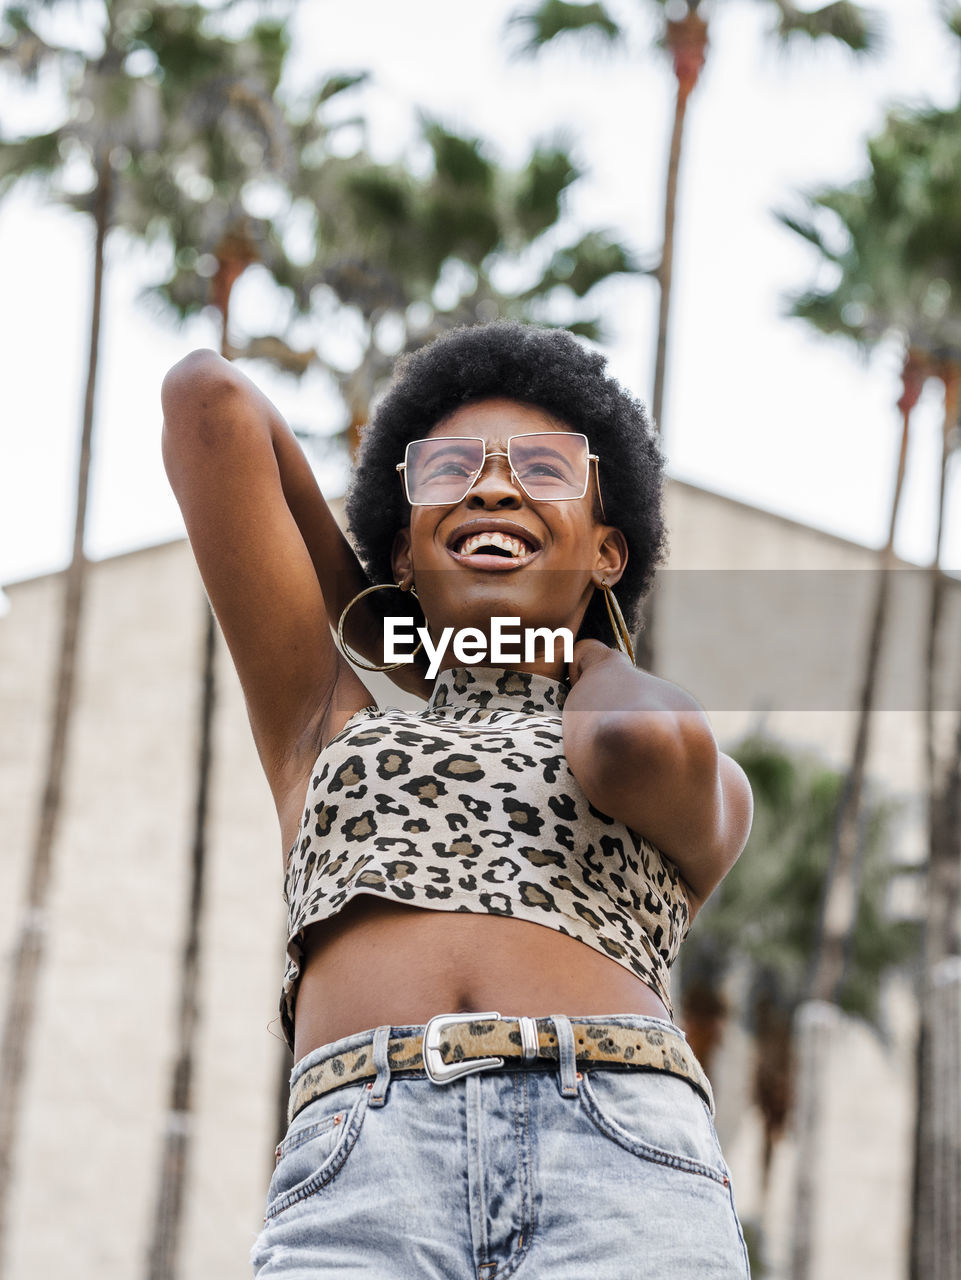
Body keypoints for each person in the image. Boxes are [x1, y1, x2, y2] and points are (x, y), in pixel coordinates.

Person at [161, 321, 754, 1279]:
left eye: (543, 469)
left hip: (620, 1159)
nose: (489, 484)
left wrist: (573, 647)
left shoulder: (681, 754)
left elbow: (628, 747)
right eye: (446, 470)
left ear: (609, 551)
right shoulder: (326, 721)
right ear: (399, 548)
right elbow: (208, 401)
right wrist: (398, 625)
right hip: (361, 1173)